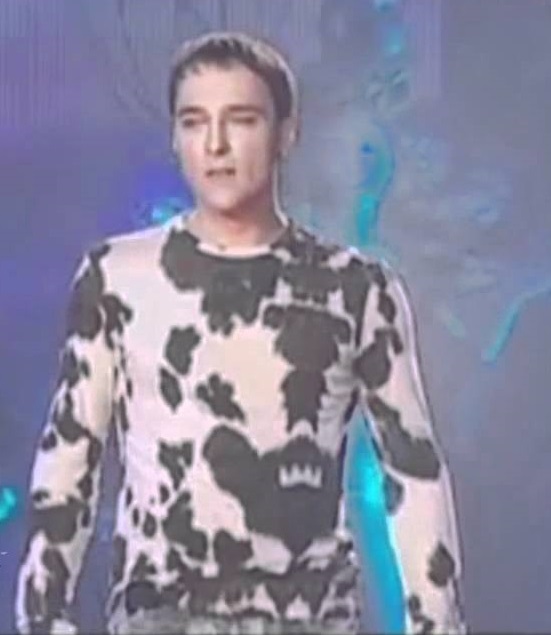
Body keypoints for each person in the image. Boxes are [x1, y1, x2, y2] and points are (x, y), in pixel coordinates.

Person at [14, 31, 466, 634]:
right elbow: (71, 455)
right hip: (160, 615)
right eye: (194, 122)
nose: (216, 145)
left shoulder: (356, 289)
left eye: (241, 120)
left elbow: (412, 470)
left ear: (285, 133)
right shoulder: (116, 277)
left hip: (311, 617)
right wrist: (43, 616)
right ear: (175, 138)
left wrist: (438, 623)